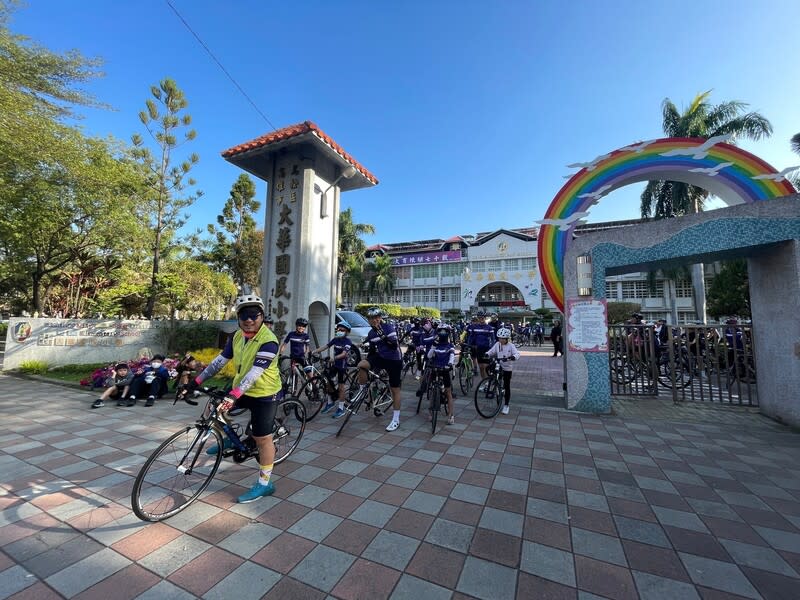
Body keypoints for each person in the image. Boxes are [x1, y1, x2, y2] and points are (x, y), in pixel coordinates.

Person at [183, 294, 283, 503]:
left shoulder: (269, 341)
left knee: (262, 438)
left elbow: (255, 374)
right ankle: (229, 438)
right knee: (214, 405)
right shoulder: (236, 336)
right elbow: (219, 362)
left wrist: (233, 396)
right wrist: (196, 382)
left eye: (253, 315)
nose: (248, 320)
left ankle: (265, 484)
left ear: (262, 316)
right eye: (243, 315)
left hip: (265, 393)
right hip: (242, 388)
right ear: (238, 317)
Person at [359, 307, 403, 431]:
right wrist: (369, 365)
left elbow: (394, 346)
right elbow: (372, 352)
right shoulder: (371, 333)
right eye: (371, 318)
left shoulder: (389, 328)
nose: (374, 320)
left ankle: (396, 419)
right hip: (381, 358)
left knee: (395, 390)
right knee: (361, 365)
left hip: (394, 359)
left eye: (376, 318)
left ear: (380, 318)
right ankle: (362, 392)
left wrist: (382, 334)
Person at [312, 320, 353, 419]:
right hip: (334, 365)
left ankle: (341, 408)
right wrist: (314, 351)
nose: (339, 331)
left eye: (342, 330)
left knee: (341, 387)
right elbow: (326, 346)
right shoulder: (335, 339)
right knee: (327, 382)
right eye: (338, 329)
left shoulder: (348, 342)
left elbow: (344, 354)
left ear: (346, 332)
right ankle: (330, 402)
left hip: (342, 366)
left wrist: (334, 358)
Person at [485, 327, 521, 414]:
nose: (501, 340)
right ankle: (494, 382)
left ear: (507, 339)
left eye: (503, 338)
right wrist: (487, 354)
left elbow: (517, 354)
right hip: (498, 365)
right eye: (499, 338)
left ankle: (506, 405)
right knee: (488, 368)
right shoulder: (497, 344)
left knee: (506, 385)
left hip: (507, 368)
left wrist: (513, 357)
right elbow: (491, 351)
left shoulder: (511, 346)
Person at [426, 324, 457, 424]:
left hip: (445, 370)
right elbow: (429, 355)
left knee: (448, 392)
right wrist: (434, 346)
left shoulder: (450, 346)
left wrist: (450, 364)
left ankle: (451, 415)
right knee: (431, 390)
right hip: (435, 369)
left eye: (444, 332)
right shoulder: (436, 344)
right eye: (440, 331)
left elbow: (452, 356)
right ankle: (430, 412)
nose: (442, 333)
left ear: (448, 333)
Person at [279, 317, 311, 394]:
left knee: (309, 374)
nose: (301, 327)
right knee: (294, 375)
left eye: (303, 326)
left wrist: (305, 353)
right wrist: (280, 354)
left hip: (302, 357)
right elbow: (284, 345)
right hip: (293, 357)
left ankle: (313, 386)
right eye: (299, 325)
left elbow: (307, 347)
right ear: (296, 326)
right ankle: (294, 392)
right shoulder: (291, 334)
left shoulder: (305, 336)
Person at [467, 311, 497, 378]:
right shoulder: (475, 327)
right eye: (479, 318)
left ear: (485, 318)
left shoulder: (489, 328)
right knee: (481, 367)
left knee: (485, 366)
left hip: (487, 349)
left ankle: (488, 381)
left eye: (482, 318)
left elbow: (493, 339)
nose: (481, 319)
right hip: (478, 349)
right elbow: (471, 337)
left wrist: (492, 348)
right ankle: (483, 382)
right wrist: (469, 345)